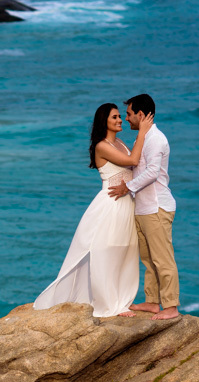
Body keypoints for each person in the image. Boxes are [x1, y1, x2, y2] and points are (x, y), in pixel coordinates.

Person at [33, 103, 153, 317]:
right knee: (106, 251)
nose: (120, 120)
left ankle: (122, 300)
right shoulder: (102, 146)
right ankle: (109, 304)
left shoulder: (122, 144)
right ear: (104, 121)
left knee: (125, 251)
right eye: (115, 117)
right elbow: (133, 160)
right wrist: (143, 131)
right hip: (110, 205)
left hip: (127, 204)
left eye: (120, 116)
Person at [108, 94, 179, 320]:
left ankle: (171, 306)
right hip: (143, 208)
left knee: (163, 259)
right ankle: (152, 301)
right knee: (149, 259)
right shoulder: (144, 137)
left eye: (128, 114)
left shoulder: (156, 138)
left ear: (140, 114)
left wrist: (127, 187)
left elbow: (152, 172)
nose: (126, 119)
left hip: (157, 207)